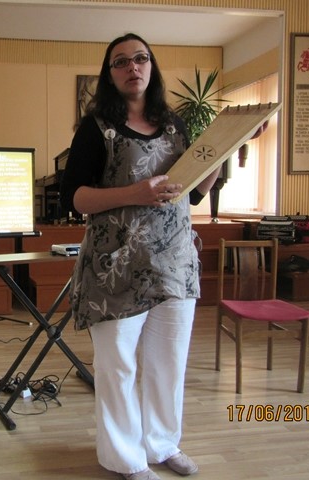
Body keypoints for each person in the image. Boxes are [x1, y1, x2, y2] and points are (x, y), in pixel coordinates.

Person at [60, 33, 221, 480]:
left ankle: (163, 444)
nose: (133, 67)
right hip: (115, 271)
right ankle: (126, 459)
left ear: (151, 66)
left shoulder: (174, 124)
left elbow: (194, 193)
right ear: (109, 74)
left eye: (141, 58)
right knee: (117, 368)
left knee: (168, 364)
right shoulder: (96, 129)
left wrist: (223, 149)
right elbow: (75, 198)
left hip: (174, 266)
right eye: (121, 61)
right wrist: (135, 193)